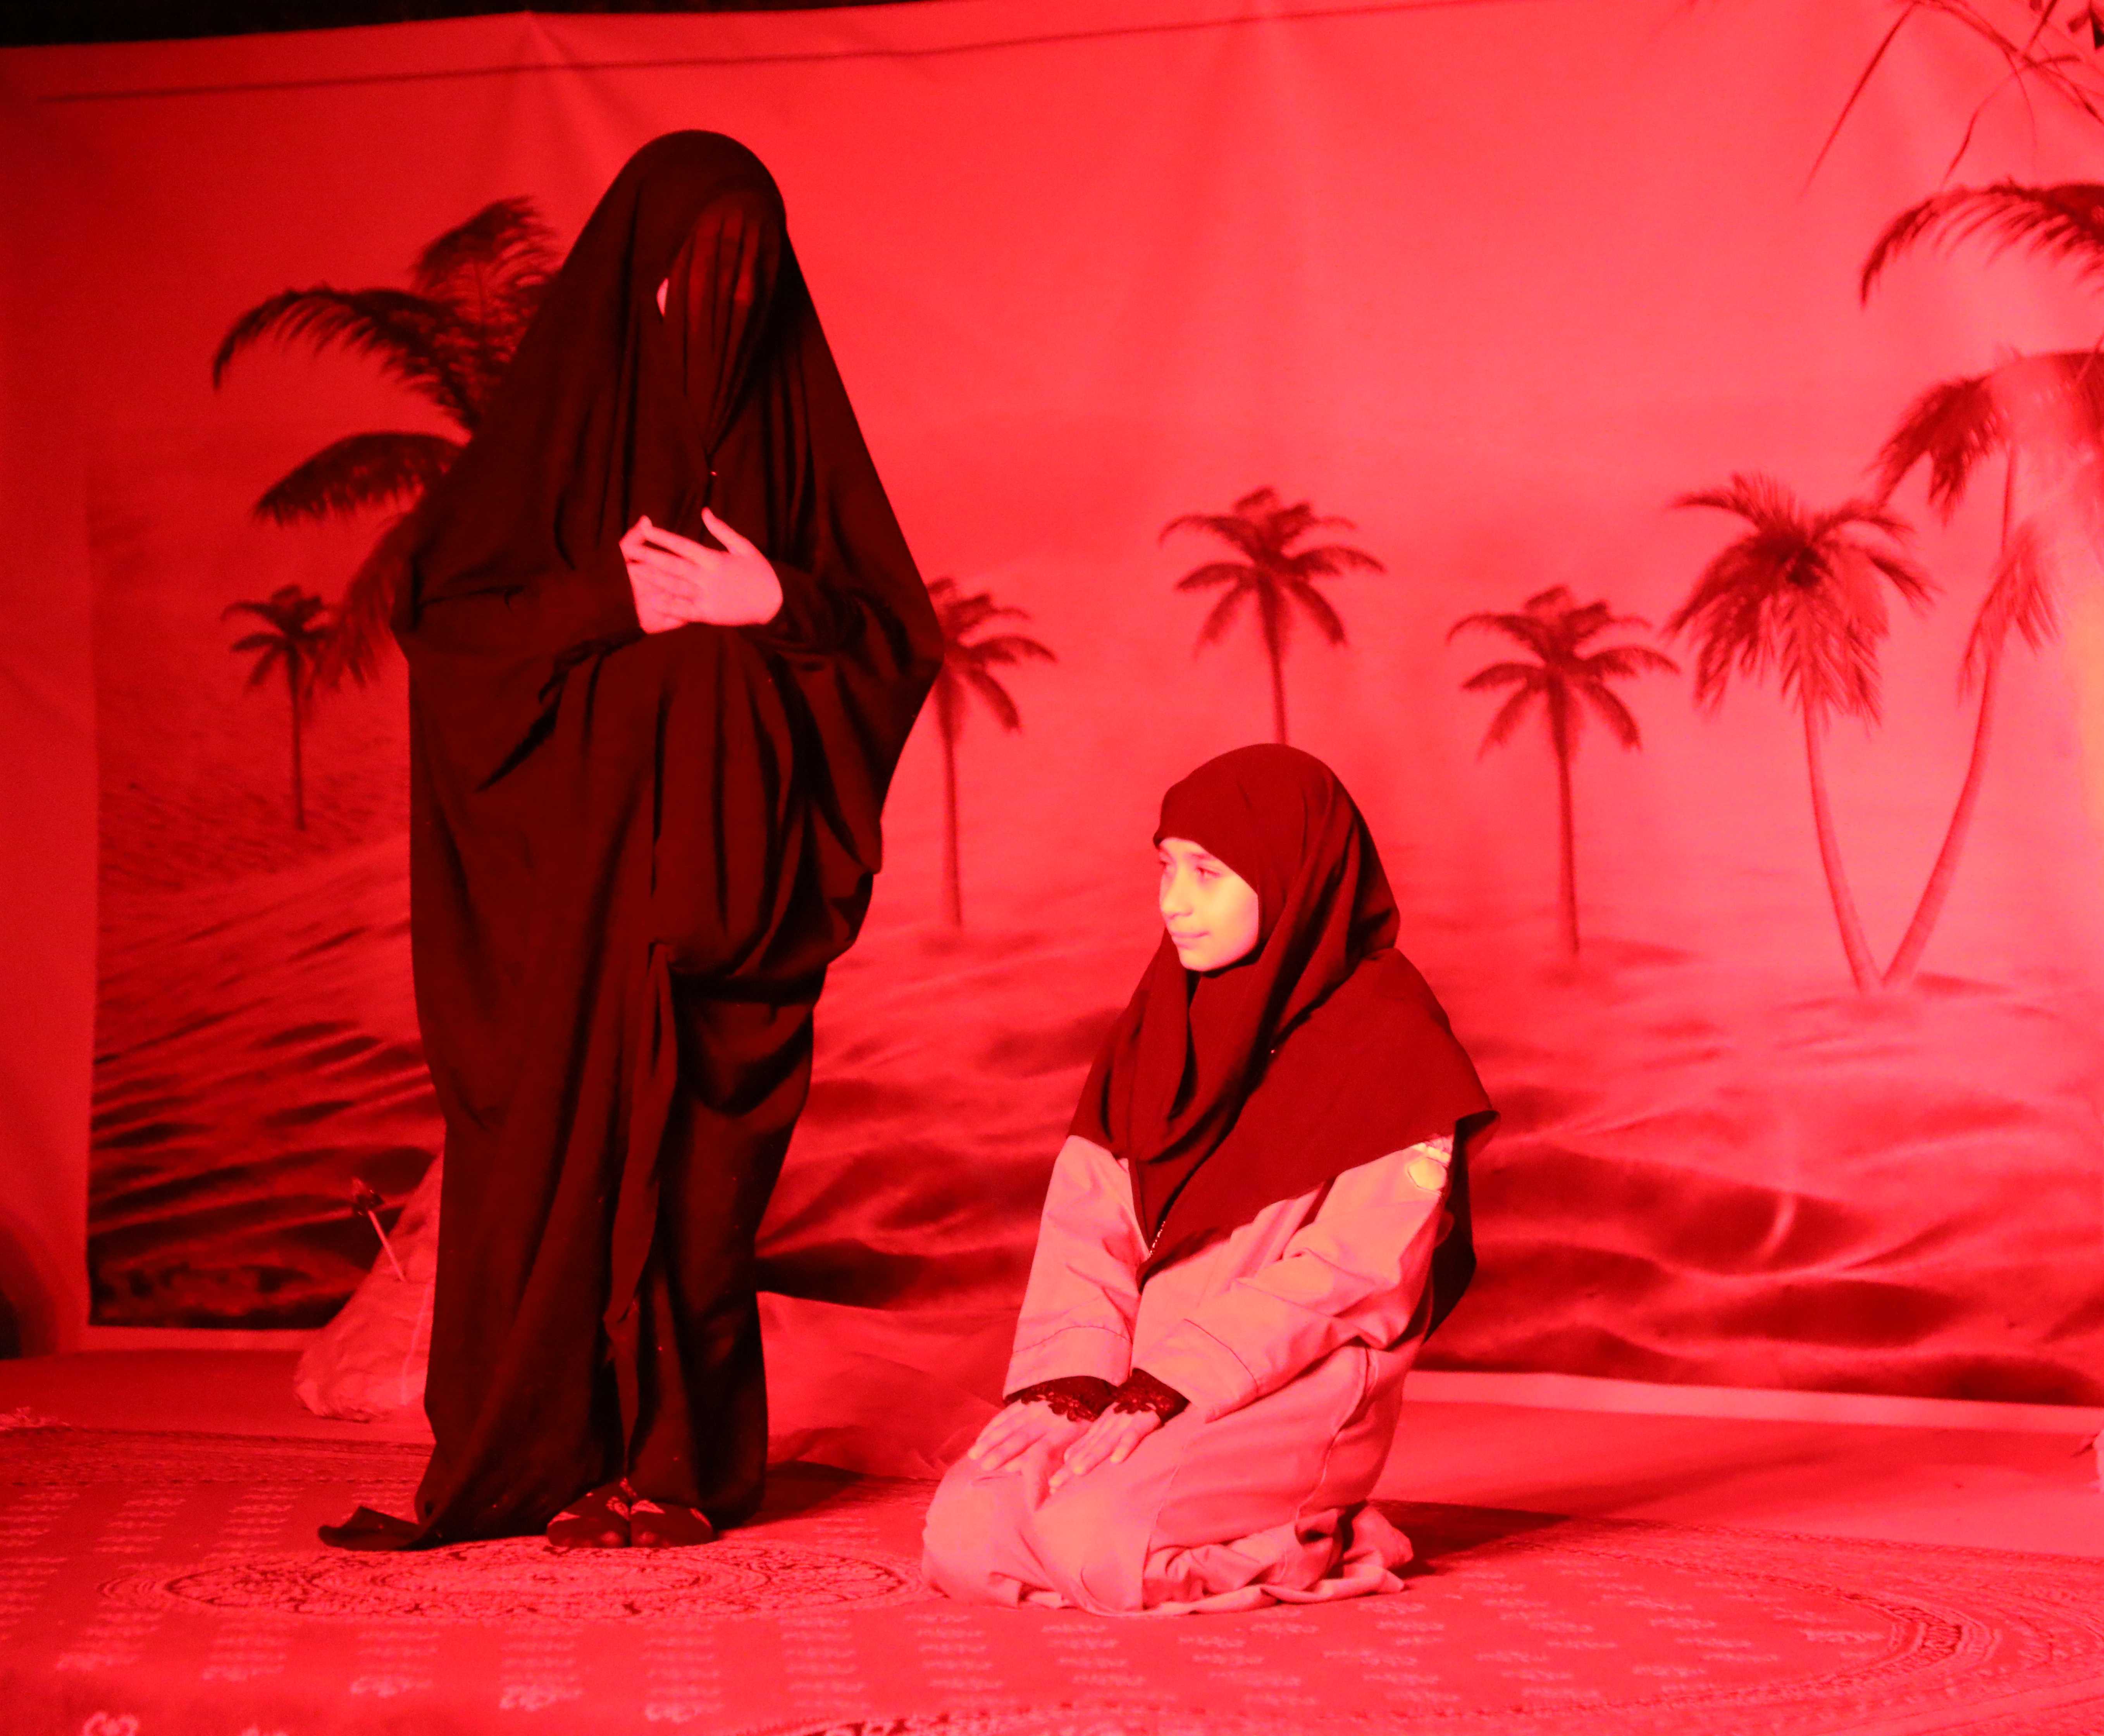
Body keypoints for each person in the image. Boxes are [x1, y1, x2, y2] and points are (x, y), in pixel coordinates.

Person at [320, 132, 940, 1551]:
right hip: (577, 901)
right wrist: (619, 605)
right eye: (695, 277)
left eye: (752, 277)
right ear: (636, 282)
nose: (724, 305)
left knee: (704, 1203)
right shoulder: (555, 438)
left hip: (735, 903)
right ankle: (537, 1457)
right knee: (557, 1176)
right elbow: (452, 625)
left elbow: (894, 641)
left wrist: (775, 603)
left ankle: (679, 1472)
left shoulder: (798, 439)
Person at [921, 744, 1494, 1613]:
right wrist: (1077, 1382)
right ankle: (1187, 1502)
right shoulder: (1158, 1021)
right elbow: (1089, 1222)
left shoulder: (1394, 1041)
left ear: (1292, 873)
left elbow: (1356, 1272)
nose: (1174, 902)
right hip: (1137, 1383)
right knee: (966, 1534)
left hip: (1292, 1383)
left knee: (1097, 1549)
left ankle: (1326, 1529)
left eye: (1207, 872)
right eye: (1165, 866)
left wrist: (1177, 1380)